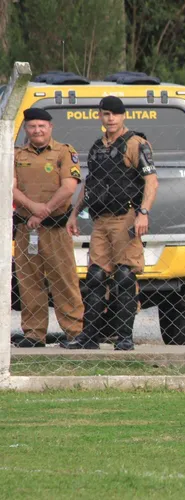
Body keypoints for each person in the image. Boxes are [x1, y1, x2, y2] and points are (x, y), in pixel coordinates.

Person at [62, 96, 158, 351]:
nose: (111, 118)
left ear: (123, 116)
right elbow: (90, 184)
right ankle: (90, 337)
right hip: (100, 220)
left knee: (125, 277)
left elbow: (151, 181)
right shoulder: (97, 147)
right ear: (100, 117)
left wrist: (144, 212)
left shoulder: (136, 144)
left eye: (115, 114)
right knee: (94, 277)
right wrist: (74, 213)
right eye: (106, 114)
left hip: (126, 217)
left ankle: (124, 337)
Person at [10, 108, 84, 347]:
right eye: (32, 126)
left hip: (54, 228)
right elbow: (11, 187)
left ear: (50, 127)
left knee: (63, 280)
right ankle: (33, 333)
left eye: (42, 126)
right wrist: (33, 208)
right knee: (29, 281)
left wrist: (43, 213)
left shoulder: (64, 152)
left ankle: (75, 332)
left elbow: (68, 188)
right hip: (26, 228)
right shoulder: (16, 154)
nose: (37, 130)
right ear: (26, 129)